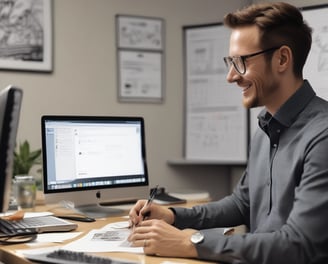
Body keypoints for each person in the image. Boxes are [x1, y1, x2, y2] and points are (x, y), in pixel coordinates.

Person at [128, 2, 328, 263]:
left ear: (282, 59)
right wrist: (174, 217)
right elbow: (241, 204)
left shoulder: (322, 136)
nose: (231, 76)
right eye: (230, 62)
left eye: (241, 62)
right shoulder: (266, 130)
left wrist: (191, 242)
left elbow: (299, 246)